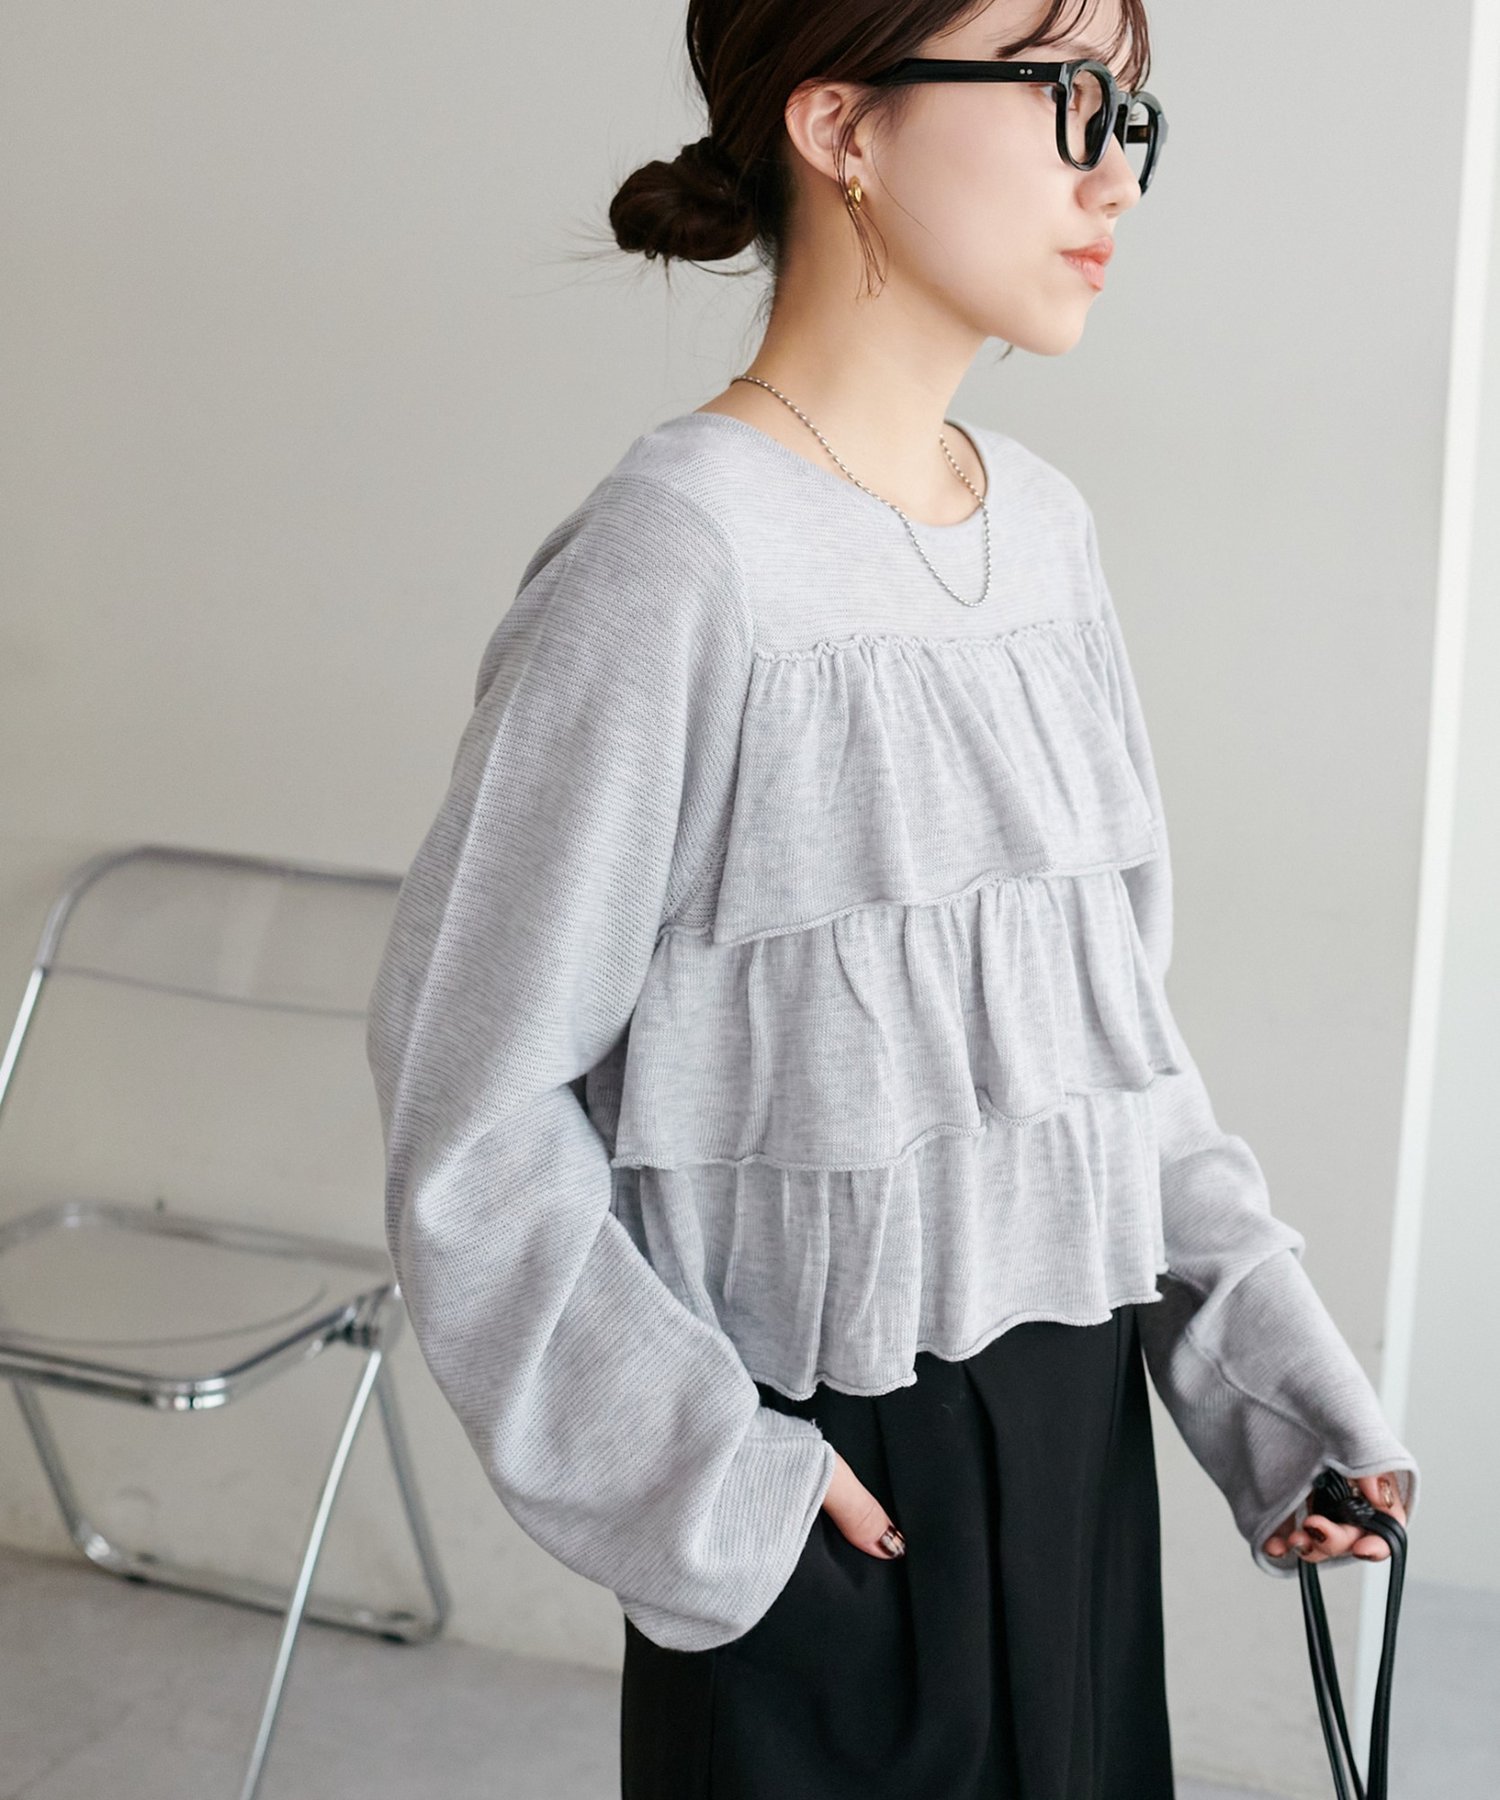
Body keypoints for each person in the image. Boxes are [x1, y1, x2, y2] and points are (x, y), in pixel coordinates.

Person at [364, 1, 1418, 1794]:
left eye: (1131, 111)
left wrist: (1274, 1393)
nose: (1113, 171)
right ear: (840, 123)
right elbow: (469, 1114)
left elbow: (1109, 1050)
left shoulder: (1047, 536)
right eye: (1063, 92)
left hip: (1081, 1458)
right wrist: (717, 1491)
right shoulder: (676, 558)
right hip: (827, 1496)